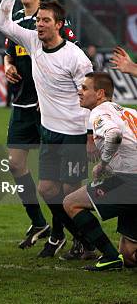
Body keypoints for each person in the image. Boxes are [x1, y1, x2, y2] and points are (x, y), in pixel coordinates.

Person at [0, 0, 96, 259]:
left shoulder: (54, 23)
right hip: (22, 104)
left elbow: (72, 60)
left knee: (64, 182)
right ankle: (44, 225)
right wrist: (7, 65)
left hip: (52, 111)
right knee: (21, 167)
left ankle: (65, 233)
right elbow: (9, 48)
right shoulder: (20, 25)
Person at [63, 72, 137, 271]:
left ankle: (110, 256)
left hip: (128, 180)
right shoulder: (128, 112)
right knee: (129, 254)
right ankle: (118, 257)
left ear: (100, 94)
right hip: (128, 177)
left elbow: (114, 135)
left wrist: (102, 165)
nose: (80, 92)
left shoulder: (99, 112)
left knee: (71, 203)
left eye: (85, 88)